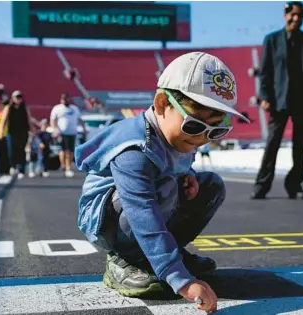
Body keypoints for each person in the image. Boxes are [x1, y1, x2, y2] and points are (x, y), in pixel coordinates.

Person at [75, 52, 249, 313]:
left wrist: (186, 178)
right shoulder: (135, 150)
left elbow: (175, 165)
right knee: (164, 187)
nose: (203, 137)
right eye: (193, 126)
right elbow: (141, 210)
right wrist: (181, 280)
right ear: (161, 104)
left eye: (216, 130)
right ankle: (124, 260)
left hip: (147, 203)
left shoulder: (177, 133)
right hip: (110, 223)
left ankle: (166, 253)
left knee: (210, 184)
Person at [252, 1, 303, 200]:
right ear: (285, 15)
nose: (296, 19)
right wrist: (265, 97)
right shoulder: (272, 40)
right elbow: (265, 71)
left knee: (300, 146)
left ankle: (295, 184)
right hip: (279, 101)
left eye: (300, 16)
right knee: (272, 144)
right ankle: (261, 185)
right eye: (293, 15)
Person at [0, 90, 33, 179]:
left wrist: (32, 129)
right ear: (13, 98)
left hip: (23, 131)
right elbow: (4, 119)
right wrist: (1, 131)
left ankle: (22, 169)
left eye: (20, 97)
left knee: (22, 150)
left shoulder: (25, 107)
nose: (18, 99)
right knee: (12, 150)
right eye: (17, 97)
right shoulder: (8, 107)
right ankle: (13, 166)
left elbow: (29, 119)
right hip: (12, 132)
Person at [50, 93, 86, 178]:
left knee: (70, 150)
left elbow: (80, 119)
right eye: (63, 99)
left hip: (72, 132)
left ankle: (68, 167)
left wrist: (84, 128)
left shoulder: (74, 108)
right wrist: (55, 130)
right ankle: (62, 165)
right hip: (62, 132)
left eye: (66, 99)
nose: (64, 101)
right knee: (63, 149)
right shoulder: (57, 108)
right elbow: (53, 120)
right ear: (61, 100)